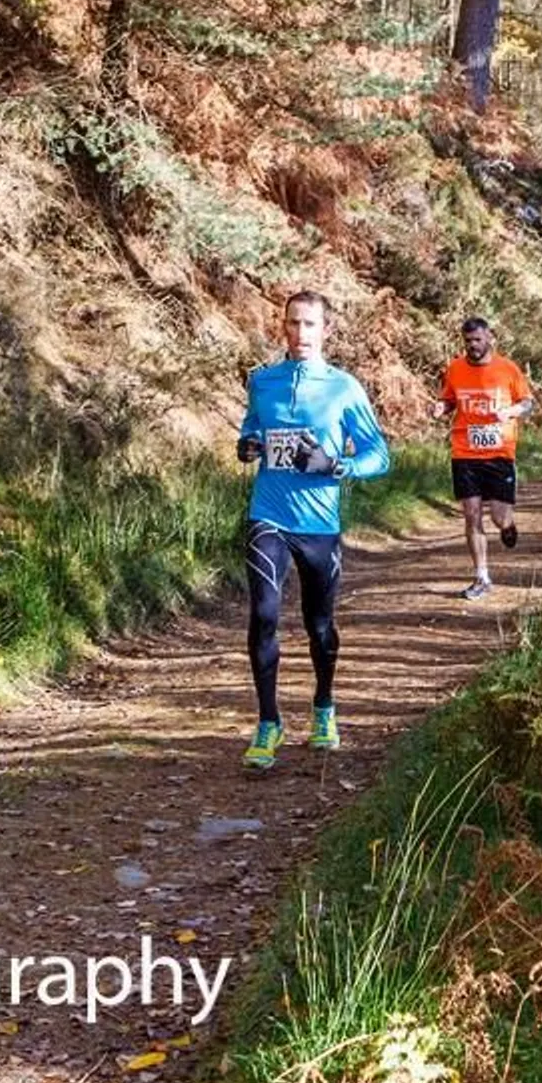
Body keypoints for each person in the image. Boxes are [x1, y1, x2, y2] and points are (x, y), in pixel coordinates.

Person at [235, 291, 391, 771]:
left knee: (318, 624)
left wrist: (335, 464)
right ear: (282, 327)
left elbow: (379, 456)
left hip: (319, 524)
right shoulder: (263, 382)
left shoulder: (344, 388)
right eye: (293, 324)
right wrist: (247, 444)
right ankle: (268, 722)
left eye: (310, 325)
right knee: (263, 613)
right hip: (269, 513)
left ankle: (324, 706)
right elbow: (251, 427)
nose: (300, 333)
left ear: (327, 330)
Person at [432, 316, 534, 601]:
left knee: (499, 517)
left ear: (489, 337)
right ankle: (481, 577)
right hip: (464, 451)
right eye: (468, 341)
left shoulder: (507, 369)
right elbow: (449, 398)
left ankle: (509, 525)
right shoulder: (455, 368)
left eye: (477, 340)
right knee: (471, 514)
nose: (472, 346)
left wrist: (511, 412)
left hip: (499, 452)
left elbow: (527, 403)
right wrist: (441, 407)